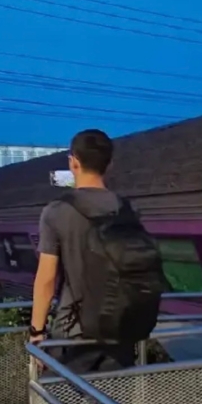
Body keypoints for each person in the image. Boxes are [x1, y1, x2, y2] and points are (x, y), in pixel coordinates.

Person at [29, 129, 167, 374]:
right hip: (120, 328)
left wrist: (36, 331)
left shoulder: (56, 211)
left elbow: (46, 279)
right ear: (109, 164)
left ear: (73, 161)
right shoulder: (127, 208)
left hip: (73, 333)